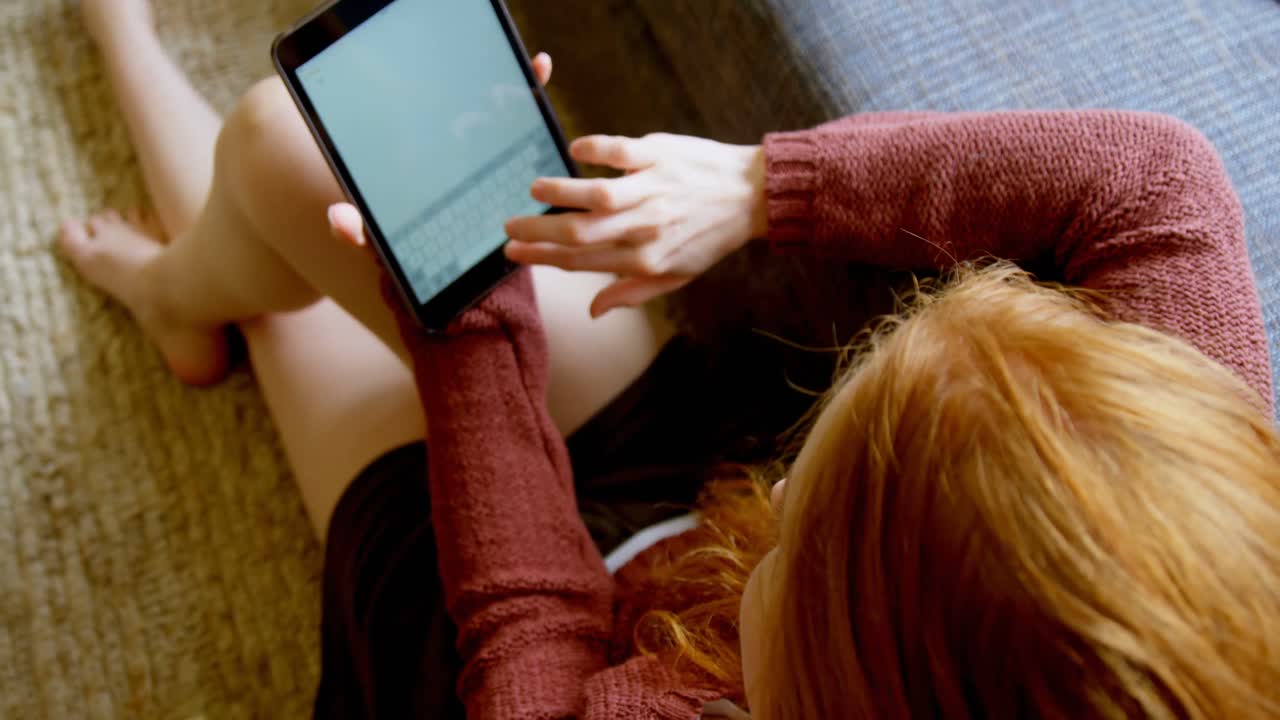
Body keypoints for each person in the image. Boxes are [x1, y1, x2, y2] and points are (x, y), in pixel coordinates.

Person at [63, 1, 1280, 718]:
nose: (787, 487)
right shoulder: (1190, 534)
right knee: (295, 141)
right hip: (677, 485)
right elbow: (1152, 181)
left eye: (807, 521)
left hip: (521, 631)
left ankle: (160, 234)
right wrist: (757, 187)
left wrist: (473, 325)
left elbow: (529, 636)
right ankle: (182, 287)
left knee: (364, 217)